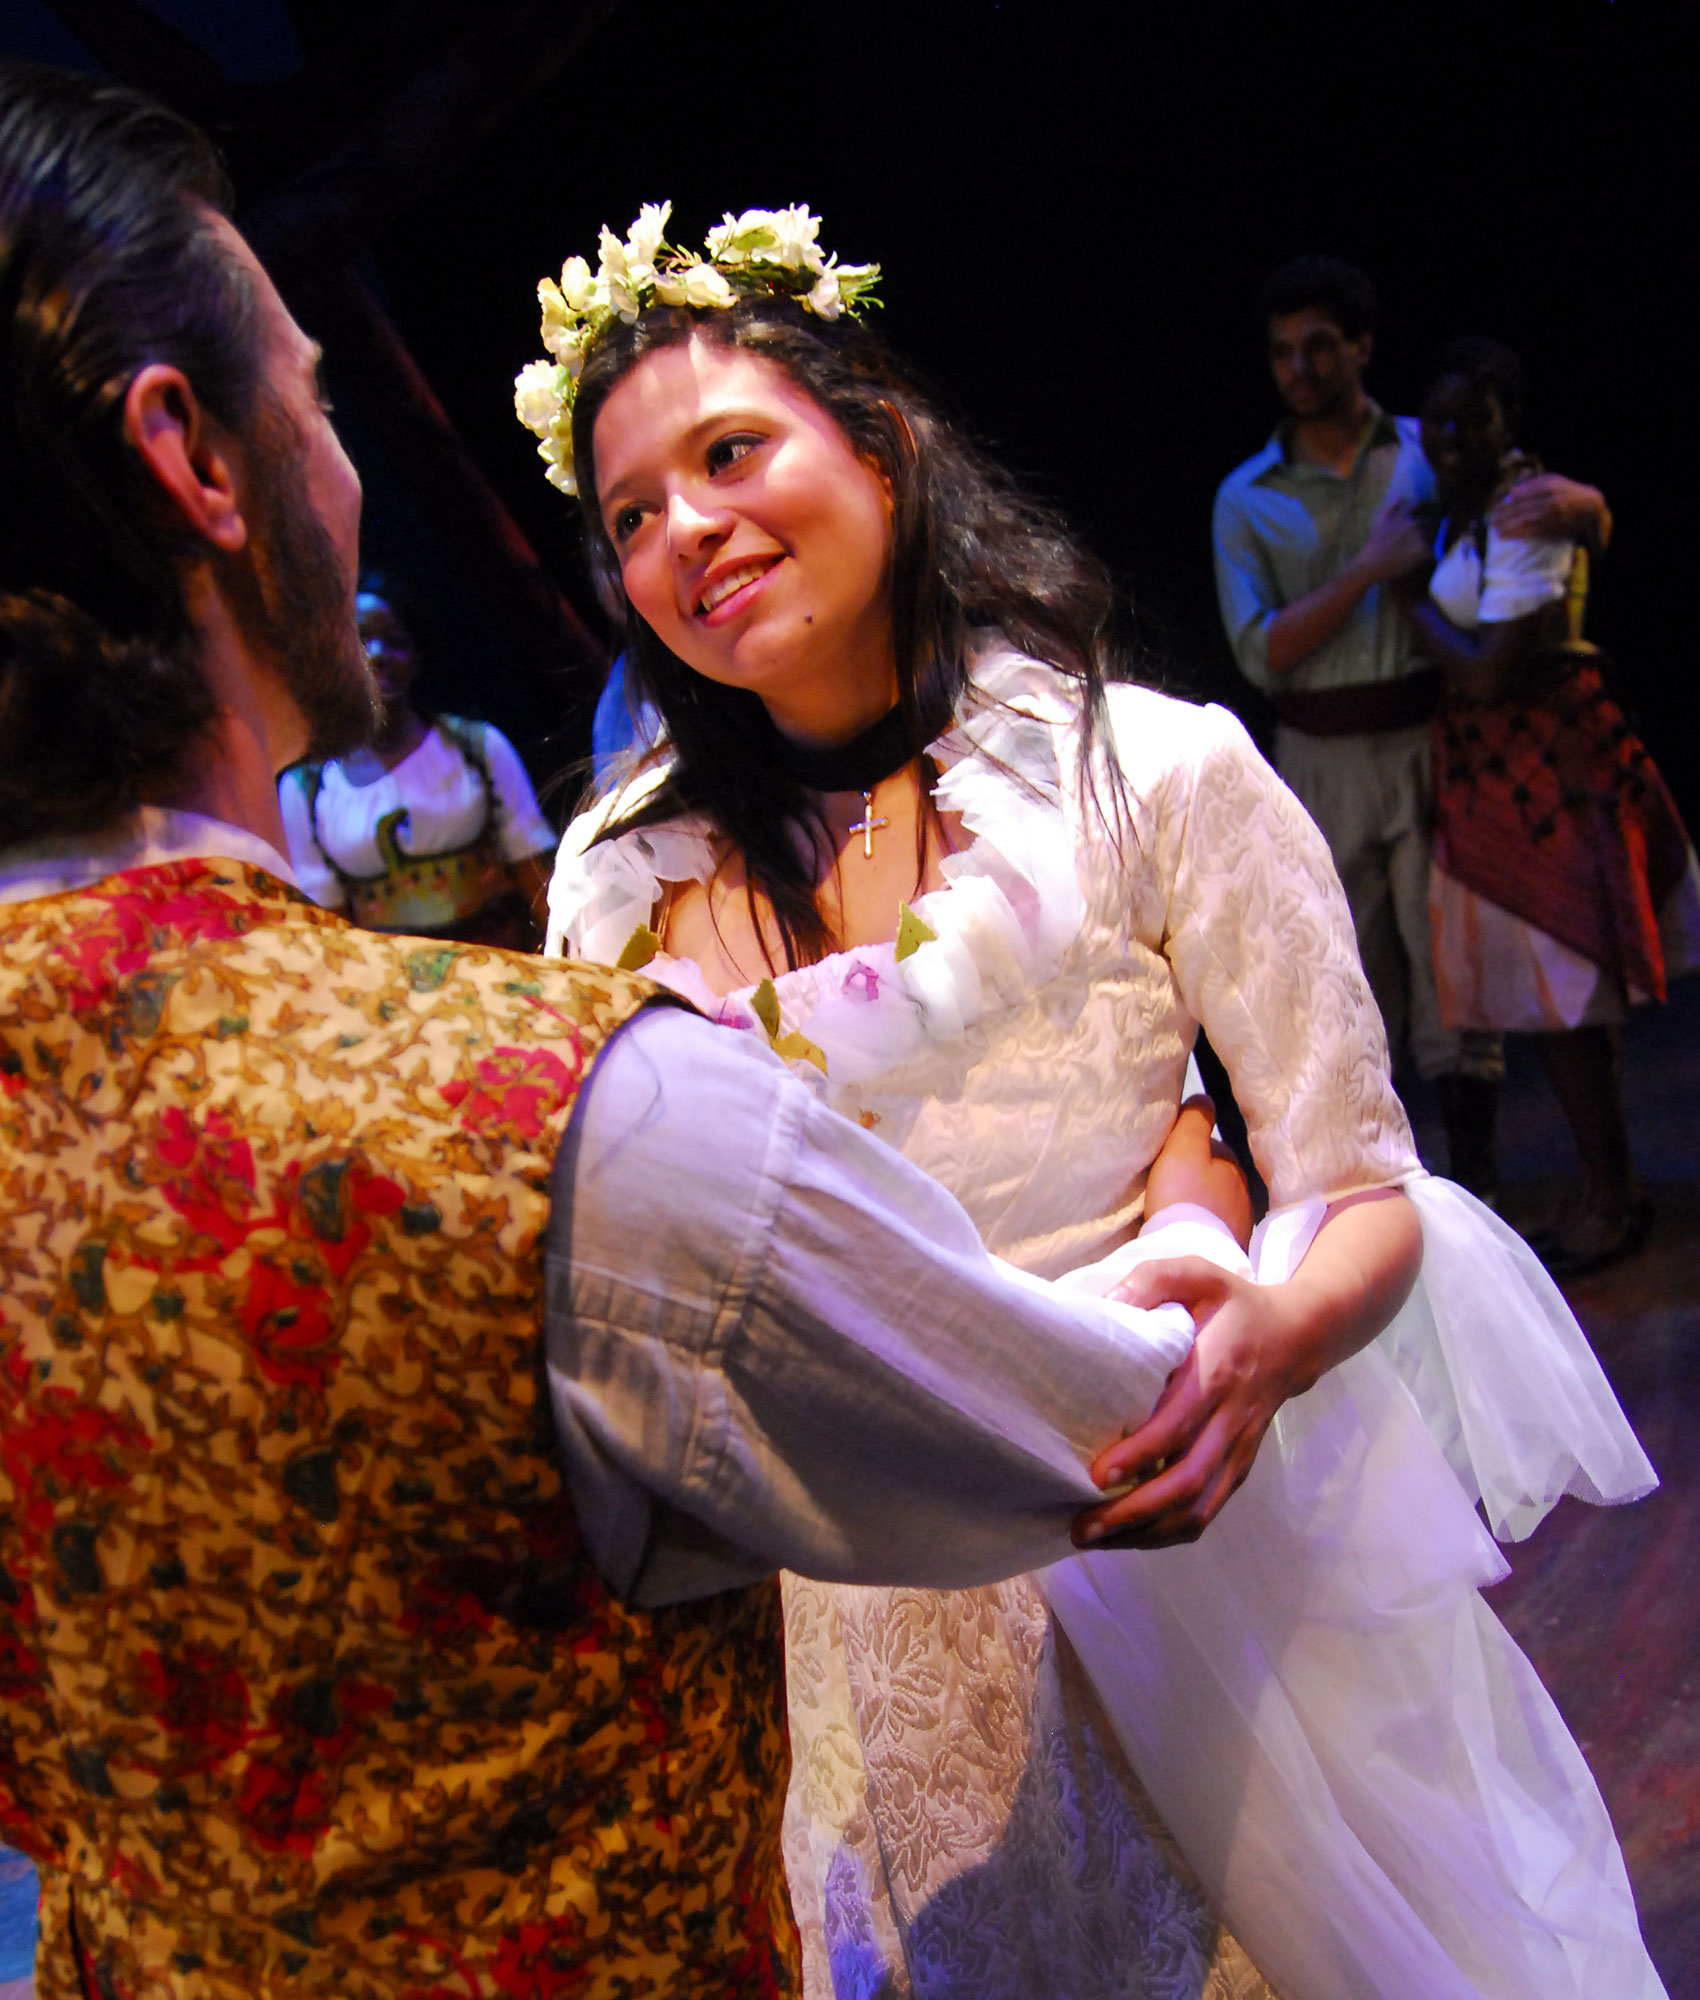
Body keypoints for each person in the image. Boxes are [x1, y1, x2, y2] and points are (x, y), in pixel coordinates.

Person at [0, 66, 1281, 2000]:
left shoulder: (1128, 769)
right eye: (318, 398)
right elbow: (1099, 1432)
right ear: (193, 455)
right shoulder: (553, 1107)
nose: (342, 473)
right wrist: (1188, 1190)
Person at [528, 205, 1667, 1999]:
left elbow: (1362, 1186)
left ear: (880, 438)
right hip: (850, 1630)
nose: (689, 532)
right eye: (632, 517)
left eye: (730, 452)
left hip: (1176, 1560)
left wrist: (1270, 1338)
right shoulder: (616, 882)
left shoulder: (1156, 772)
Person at [1212, 256, 1612, 1201]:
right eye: (1281, 353)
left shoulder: (1429, 446)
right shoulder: (1248, 495)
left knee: (1454, 991)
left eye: (1319, 346)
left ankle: (1476, 1191)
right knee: (1350, 980)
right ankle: (1380, 1202)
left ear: (1362, 347)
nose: (1300, 369)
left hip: (1433, 737)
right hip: (1319, 756)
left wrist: (1594, 510)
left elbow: (1538, 510)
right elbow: (1262, 653)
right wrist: (1365, 572)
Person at [1393, 337, 1700, 1274]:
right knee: (1567, 1003)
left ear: (1506, 423)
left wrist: (1407, 596)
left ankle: (1612, 1198)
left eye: (1471, 418)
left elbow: (1488, 671)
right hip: (1503, 772)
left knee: (1572, 1000)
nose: (1448, 436)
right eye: (1438, 420)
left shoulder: (1528, 512)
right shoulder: (1473, 508)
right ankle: (1607, 1188)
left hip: (1550, 766)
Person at [279, 572, 557, 948]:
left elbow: (533, 872)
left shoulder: (478, 747)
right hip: (399, 991)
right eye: (361, 642)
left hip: (506, 965)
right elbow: (330, 924)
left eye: (394, 641)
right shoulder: (306, 790)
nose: (378, 655)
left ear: (416, 655)